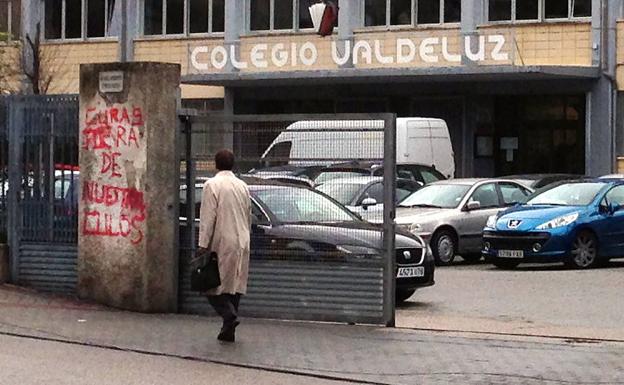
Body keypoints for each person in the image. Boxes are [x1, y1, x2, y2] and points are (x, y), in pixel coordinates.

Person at [198, 149, 251, 343]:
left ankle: (229, 316)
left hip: (222, 240)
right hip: (242, 240)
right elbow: (248, 213)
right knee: (235, 284)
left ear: (215, 164)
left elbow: (208, 217)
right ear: (233, 164)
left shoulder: (212, 185)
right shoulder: (242, 185)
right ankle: (228, 330)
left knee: (210, 285)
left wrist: (203, 244)